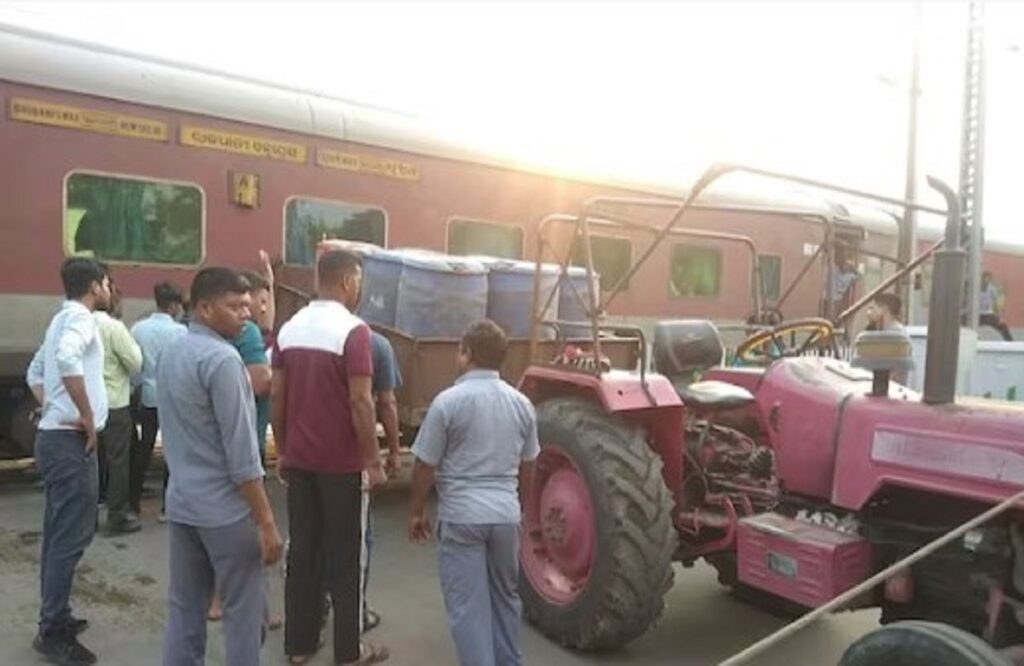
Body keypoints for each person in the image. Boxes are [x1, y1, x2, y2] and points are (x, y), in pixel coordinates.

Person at [158, 267, 283, 666]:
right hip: (226, 513)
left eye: (248, 306)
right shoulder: (224, 361)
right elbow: (244, 458)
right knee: (244, 616)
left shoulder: (173, 351)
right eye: (234, 307)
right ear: (205, 308)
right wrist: (265, 522)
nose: (245, 315)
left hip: (182, 504)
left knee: (185, 609)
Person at [271, 249, 389, 665]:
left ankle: (299, 647)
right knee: (347, 558)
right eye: (357, 280)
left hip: (300, 462)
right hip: (341, 467)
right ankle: (349, 652)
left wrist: (283, 450)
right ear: (347, 281)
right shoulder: (354, 331)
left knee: (302, 552)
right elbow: (361, 401)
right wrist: (373, 461)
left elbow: (278, 396)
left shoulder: (289, 328)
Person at [408, 320, 539, 666]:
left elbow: (424, 466)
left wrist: (416, 512)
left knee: (469, 609)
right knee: (506, 600)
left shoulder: (447, 403)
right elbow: (529, 465)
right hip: (505, 517)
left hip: (463, 518)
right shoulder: (522, 404)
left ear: (466, 354)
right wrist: (520, 509)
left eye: (459, 350)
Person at [26, 257, 112, 665]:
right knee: (70, 536)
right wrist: (87, 417)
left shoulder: (59, 318)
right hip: (70, 443)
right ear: (95, 286)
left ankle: (55, 614)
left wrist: (55, 408)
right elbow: (65, 358)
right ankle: (52, 629)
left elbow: (33, 372)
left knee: (58, 533)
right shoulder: (81, 320)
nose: (110, 290)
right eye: (107, 283)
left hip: (54, 436)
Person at [130, 282, 187, 520]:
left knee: (143, 449)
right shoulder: (180, 332)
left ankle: (132, 503)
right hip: (172, 396)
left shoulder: (138, 328)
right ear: (173, 306)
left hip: (146, 395)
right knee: (172, 452)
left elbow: (134, 364)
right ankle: (168, 506)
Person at [362, 331, 403, 633]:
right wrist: (391, 454)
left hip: (305, 454)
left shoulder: (294, 334)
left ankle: (310, 616)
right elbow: (385, 403)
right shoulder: (374, 343)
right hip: (351, 457)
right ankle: (356, 612)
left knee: (309, 536)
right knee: (358, 536)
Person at [95, 285, 143, 534]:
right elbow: (135, 363)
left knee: (91, 461)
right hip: (114, 404)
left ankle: (87, 515)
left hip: (88, 405)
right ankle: (117, 516)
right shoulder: (114, 328)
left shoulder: (80, 324)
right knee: (117, 462)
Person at [979, 271, 1013, 341]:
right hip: (978, 314)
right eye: (984, 280)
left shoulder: (992, 289)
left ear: (990, 281)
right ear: (981, 279)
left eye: (988, 280)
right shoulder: (976, 288)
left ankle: (1010, 342)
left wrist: (998, 315)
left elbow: (996, 302)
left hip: (989, 314)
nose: (986, 282)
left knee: (1002, 326)